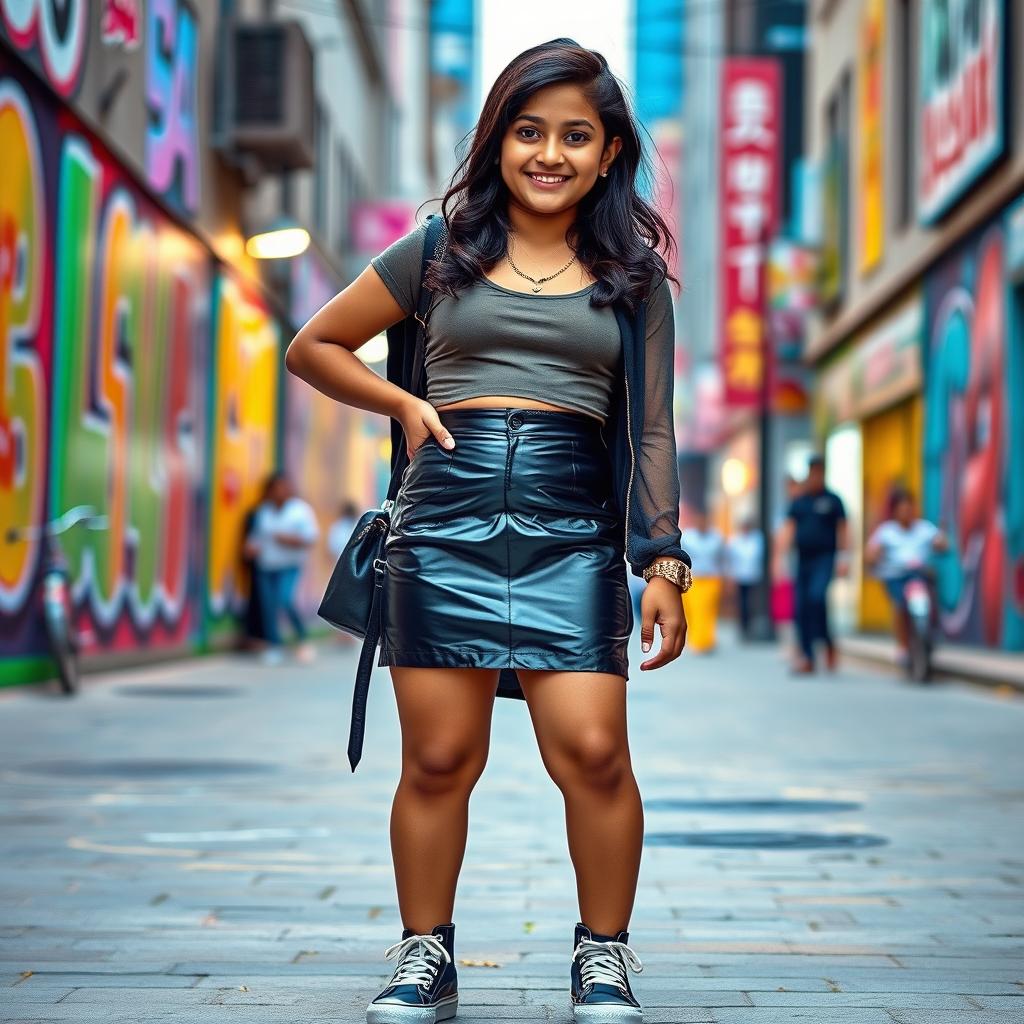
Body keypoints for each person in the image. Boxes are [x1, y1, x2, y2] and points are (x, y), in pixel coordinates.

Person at [284, 38, 692, 1024]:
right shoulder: (435, 249)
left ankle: (603, 956)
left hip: (573, 532)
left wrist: (664, 560)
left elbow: (647, 429)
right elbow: (314, 344)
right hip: (444, 526)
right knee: (437, 760)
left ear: (607, 153)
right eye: (528, 130)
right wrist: (404, 404)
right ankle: (425, 952)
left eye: (574, 135)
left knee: (592, 752)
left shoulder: (633, 278)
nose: (548, 152)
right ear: (499, 138)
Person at [775, 454, 848, 674]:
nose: (816, 477)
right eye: (813, 472)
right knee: (802, 606)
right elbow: (788, 530)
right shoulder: (800, 501)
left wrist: (845, 557)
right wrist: (779, 558)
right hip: (803, 559)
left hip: (825, 558)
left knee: (817, 598)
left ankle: (827, 643)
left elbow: (844, 529)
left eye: (820, 472)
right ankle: (807, 656)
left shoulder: (834, 500)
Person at [865, 489, 948, 665]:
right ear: (895, 511)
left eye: (909, 508)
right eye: (902, 509)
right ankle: (902, 645)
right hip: (897, 576)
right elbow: (871, 554)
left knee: (932, 599)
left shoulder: (924, 528)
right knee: (900, 605)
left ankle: (931, 633)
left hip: (920, 575)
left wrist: (941, 541)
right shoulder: (887, 532)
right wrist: (875, 555)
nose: (907, 512)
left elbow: (940, 544)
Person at [252, 472, 320, 667]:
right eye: (276, 488)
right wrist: (251, 546)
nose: (280, 492)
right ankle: (274, 646)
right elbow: (258, 536)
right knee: (268, 606)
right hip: (266, 565)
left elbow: (310, 538)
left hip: (289, 565)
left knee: (285, 599)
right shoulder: (264, 511)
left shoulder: (300, 510)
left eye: (283, 487)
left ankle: (302, 639)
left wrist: (288, 539)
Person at [680, 509, 725, 653]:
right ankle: (696, 640)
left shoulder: (716, 538)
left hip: (711, 578)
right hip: (693, 578)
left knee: (708, 610)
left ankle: (706, 640)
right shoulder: (687, 538)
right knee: (693, 609)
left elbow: (722, 558)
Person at [724, 516, 764, 640]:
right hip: (739, 575)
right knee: (742, 602)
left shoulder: (757, 538)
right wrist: (730, 576)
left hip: (752, 575)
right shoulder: (735, 540)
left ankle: (750, 625)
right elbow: (730, 559)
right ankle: (743, 626)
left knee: (751, 602)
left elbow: (758, 556)